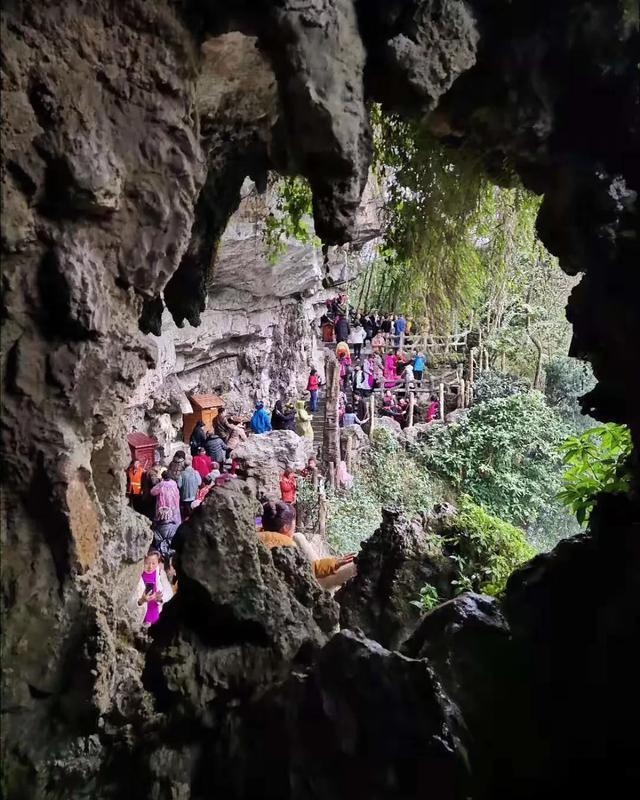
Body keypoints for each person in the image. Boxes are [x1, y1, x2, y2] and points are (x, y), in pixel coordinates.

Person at [259, 501, 356, 590]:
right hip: (299, 587)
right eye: (294, 524)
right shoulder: (286, 547)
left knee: (298, 536)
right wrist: (334, 564)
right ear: (285, 528)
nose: (295, 527)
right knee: (340, 573)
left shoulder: (255, 535)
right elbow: (307, 570)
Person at [137, 550, 173, 627]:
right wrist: (142, 600)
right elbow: (132, 603)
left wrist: (159, 599)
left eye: (153, 563)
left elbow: (169, 593)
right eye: (146, 563)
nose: (150, 567)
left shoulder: (159, 572)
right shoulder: (137, 576)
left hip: (156, 613)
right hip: (141, 618)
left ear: (158, 562)